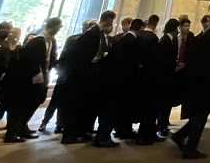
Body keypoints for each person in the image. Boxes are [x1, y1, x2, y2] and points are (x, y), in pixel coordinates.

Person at [173, 8, 210, 159]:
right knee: (201, 115)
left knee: (202, 114)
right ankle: (190, 148)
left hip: (206, 82)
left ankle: (181, 136)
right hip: (205, 83)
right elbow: (206, 59)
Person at [59, 10, 116, 145]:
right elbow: (84, 56)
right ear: (107, 20)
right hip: (82, 76)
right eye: (111, 21)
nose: (112, 24)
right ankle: (69, 134)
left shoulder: (97, 33)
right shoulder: (93, 34)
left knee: (84, 105)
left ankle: (80, 132)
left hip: (87, 74)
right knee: (76, 105)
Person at [4, 18, 60, 143]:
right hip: (31, 79)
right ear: (53, 26)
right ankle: (12, 133)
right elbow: (31, 60)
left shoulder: (52, 41)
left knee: (36, 101)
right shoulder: (38, 41)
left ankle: (23, 127)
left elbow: (51, 59)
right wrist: (37, 75)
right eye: (59, 26)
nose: (59, 29)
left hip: (43, 76)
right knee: (23, 104)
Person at [40, 19, 95, 133]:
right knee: (57, 100)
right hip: (67, 74)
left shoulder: (75, 39)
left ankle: (59, 124)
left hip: (69, 74)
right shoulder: (75, 39)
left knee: (62, 101)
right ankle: (47, 122)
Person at [96, 18, 144, 147]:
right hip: (119, 83)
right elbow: (129, 65)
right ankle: (103, 138)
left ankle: (104, 136)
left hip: (111, 81)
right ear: (140, 29)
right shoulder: (131, 42)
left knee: (109, 110)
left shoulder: (122, 39)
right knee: (111, 111)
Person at [136, 18, 173, 146]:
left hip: (143, 78)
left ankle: (147, 134)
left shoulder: (139, 36)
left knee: (148, 109)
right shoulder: (156, 40)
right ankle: (144, 136)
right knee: (150, 109)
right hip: (153, 80)